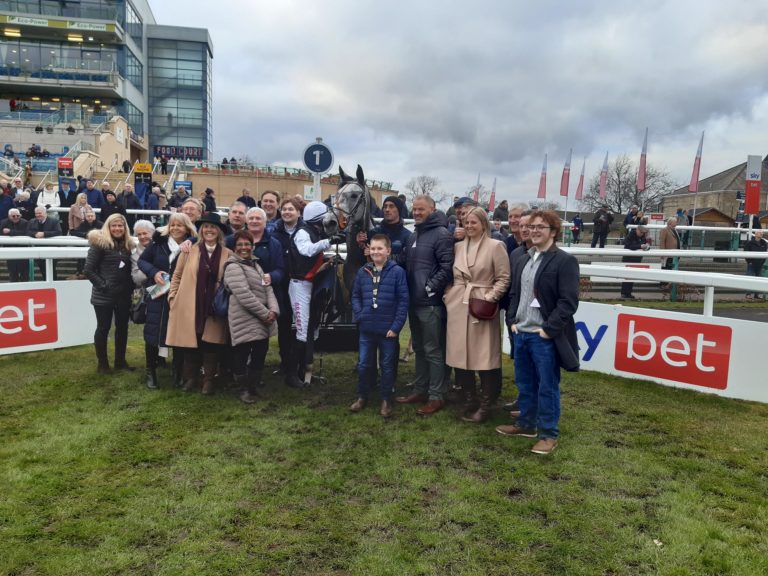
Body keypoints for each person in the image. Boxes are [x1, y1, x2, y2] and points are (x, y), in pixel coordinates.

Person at [496, 210, 580, 455]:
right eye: (531, 227)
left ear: (553, 231)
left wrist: (548, 330)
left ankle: (548, 434)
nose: (533, 231)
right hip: (521, 333)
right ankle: (525, 424)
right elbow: (515, 294)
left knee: (547, 386)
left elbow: (568, 302)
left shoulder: (564, 261)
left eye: (540, 227)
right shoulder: (523, 258)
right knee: (525, 384)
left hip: (543, 337)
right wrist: (512, 320)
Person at [445, 207, 510, 423]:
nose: (470, 226)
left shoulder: (496, 246)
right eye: (466, 222)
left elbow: (503, 278)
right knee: (459, 354)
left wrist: (490, 298)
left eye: (474, 222)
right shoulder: (457, 247)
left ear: (484, 223)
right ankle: (469, 397)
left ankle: (486, 403)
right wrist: (449, 295)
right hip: (458, 304)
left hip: (481, 306)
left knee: (484, 356)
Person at [396, 195, 454, 415]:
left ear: (432, 209)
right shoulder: (414, 235)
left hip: (430, 304)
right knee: (419, 348)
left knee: (433, 350)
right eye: (414, 209)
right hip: (414, 301)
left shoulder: (441, 234)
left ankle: (436, 395)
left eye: (421, 209)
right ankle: (420, 389)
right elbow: (402, 261)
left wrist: (429, 288)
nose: (417, 213)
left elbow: (447, 267)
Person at [165, 212, 233, 395]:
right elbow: (177, 275)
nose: (209, 230)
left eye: (213, 227)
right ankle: (191, 378)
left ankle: (208, 380)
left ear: (219, 232)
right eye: (206, 227)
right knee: (190, 344)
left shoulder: (228, 254)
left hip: (214, 308)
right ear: (201, 231)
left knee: (211, 345)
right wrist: (173, 297)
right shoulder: (189, 250)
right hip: (190, 306)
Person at [350, 234, 409, 418]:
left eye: (380, 248)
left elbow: (403, 300)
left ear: (388, 251)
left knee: (387, 365)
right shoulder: (363, 271)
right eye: (373, 248)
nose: (376, 252)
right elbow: (356, 296)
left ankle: (385, 399)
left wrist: (396, 326)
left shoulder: (397, 272)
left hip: (388, 330)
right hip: (367, 328)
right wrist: (360, 315)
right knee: (364, 364)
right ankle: (362, 396)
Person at [138, 213, 197, 389]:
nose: (175, 228)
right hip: (159, 293)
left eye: (180, 225)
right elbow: (142, 261)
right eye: (172, 225)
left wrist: (193, 241)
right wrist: (154, 272)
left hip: (180, 295)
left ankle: (177, 372)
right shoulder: (158, 244)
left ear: (186, 227)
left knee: (178, 334)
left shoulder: (192, 245)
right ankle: (151, 371)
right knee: (153, 333)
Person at [285, 200, 340, 388]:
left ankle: (301, 370)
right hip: (300, 286)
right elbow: (306, 251)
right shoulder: (302, 232)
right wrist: (329, 241)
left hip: (308, 284)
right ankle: (291, 375)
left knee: (309, 328)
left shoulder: (313, 231)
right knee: (302, 331)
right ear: (319, 218)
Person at [224, 230, 280, 403]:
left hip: (262, 317)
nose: (243, 248)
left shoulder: (256, 265)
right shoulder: (233, 266)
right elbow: (243, 295)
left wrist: (274, 310)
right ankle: (243, 389)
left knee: (260, 352)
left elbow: (267, 288)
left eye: (247, 244)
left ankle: (253, 386)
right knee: (241, 354)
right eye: (240, 244)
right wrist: (265, 313)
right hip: (244, 317)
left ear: (252, 246)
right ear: (234, 247)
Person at [83, 213, 135, 374]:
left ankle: (120, 362)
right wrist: (104, 286)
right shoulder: (99, 244)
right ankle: (103, 364)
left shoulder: (128, 245)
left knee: (122, 328)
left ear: (125, 228)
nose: (118, 228)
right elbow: (88, 270)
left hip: (123, 295)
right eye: (114, 225)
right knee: (103, 328)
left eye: (120, 225)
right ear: (108, 227)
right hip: (103, 295)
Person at [271, 197, 301, 382]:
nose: (287, 212)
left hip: (302, 284)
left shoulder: (306, 231)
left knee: (300, 325)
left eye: (291, 209)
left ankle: (299, 364)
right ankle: (285, 362)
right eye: (284, 209)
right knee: (284, 323)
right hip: (282, 284)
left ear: (298, 212)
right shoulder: (275, 232)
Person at [27, 206, 61, 280]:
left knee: (52, 270)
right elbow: (27, 231)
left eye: (40, 213)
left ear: (45, 213)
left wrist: (44, 234)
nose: (38, 215)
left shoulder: (54, 221)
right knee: (42, 270)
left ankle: (54, 285)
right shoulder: (32, 221)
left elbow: (58, 232)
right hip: (38, 250)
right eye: (36, 213)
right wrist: (35, 234)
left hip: (51, 250)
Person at [620, 225, 650, 300]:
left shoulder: (642, 237)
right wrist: (640, 246)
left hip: (637, 259)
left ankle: (629, 293)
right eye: (641, 232)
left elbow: (644, 245)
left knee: (632, 276)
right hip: (628, 259)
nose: (642, 234)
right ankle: (624, 293)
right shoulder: (630, 235)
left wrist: (647, 246)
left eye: (643, 233)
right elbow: (629, 246)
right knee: (626, 277)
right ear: (637, 230)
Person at [1, 208, 30, 281]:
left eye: (18, 215)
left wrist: (10, 232)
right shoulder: (4, 222)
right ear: (9, 216)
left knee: (25, 273)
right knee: (13, 273)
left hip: (23, 250)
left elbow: (26, 233)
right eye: (13, 216)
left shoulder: (25, 222)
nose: (16, 217)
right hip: (10, 250)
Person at [131, 220, 156, 287]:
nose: (142, 237)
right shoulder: (135, 255)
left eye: (145, 233)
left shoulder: (162, 247)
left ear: (152, 233)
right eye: (139, 234)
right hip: (148, 290)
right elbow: (138, 279)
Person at [744, 230, 767, 300]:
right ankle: (748, 294)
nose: (761, 234)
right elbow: (746, 252)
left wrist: (762, 262)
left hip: (760, 264)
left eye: (762, 233)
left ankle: (756, 295)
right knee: (750, 278)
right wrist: (749, 262)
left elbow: (765, 253)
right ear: (756, 234)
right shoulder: (750, 243)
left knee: (759, 279)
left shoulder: (764, 243)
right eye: (760, 233)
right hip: (752, 264)